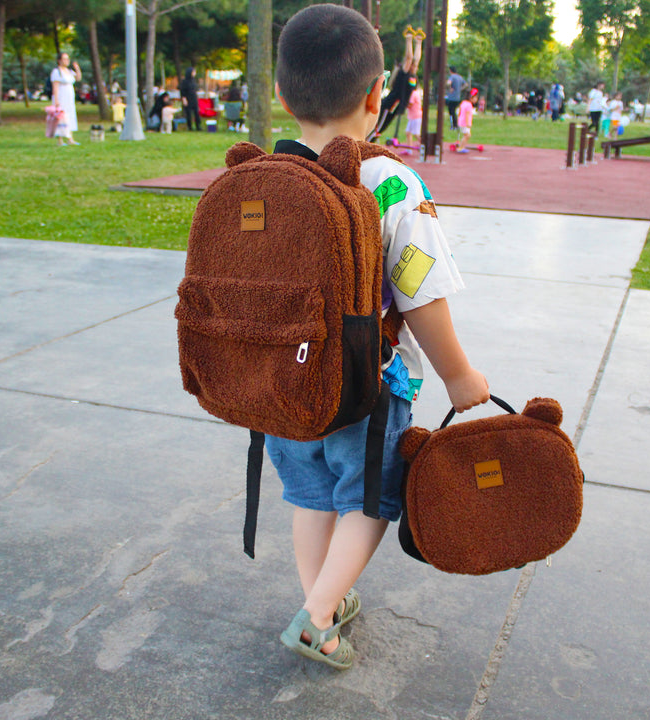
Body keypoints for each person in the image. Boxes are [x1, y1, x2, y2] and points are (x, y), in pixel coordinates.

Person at [271, 3, 489, 670]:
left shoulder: (267, 175)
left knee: (311, 494)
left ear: (282, 94)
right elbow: (419, 291)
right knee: (369, 500)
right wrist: (458, 374)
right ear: (376, 95)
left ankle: (325, 604)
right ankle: (314, 618)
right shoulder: (391, 181)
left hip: (283, 384)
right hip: (368, 384)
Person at [368, 25, 424, 140]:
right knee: (377, 129)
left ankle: (369, 141)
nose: (413, 66)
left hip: (396, 106)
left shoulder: (413, 76)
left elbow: (416, 59)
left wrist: (419, 42)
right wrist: (409, 39)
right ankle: (368, 141)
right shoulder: (403, 74)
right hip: (390, 105)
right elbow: (409, 58)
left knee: (380, 129)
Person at [50, 51, 82, 146]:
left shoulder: (69, 71)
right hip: (61, 96)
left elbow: (78, 78)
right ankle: (60, 140)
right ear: (59, 60)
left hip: (69, 97)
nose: (66, 61)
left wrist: (77, 68)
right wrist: (56, 100)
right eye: (64, 59)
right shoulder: (57, 72)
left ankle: (70, 138)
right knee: (61, 117)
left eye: (67, 59)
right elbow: (55, 86)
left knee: (70, 116)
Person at [454, 87, 478, 153]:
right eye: (475, 98)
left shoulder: (463, 103)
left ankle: (462, 147)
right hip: (465, 123)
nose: (476, 99)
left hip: (461, 122)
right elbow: (467, 114)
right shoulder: (469, 105)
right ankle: (461, 148)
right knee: (467, 135)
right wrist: (468, 123)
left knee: (466, 135)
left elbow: (460, 112)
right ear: (471, 98)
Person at [403, 79, 423, 154]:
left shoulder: (413, 93)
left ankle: (424, 146)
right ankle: (409, 149)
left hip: (416, 116)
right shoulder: (414, 93)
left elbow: (410, 104)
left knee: (416, 133)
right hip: (412, 116)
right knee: (408, 132)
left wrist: (403, 105)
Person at [445, 66, 465, 130]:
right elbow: (466, 84)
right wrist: (460, 89)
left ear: (450, 70)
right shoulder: (460, 77)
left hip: (451, 97)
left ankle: (453, 125)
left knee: (451, 112)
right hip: (458, 97)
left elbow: (448, 83)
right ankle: (457, 124)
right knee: (455, 111)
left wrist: (449, 88)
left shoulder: (452, 77)